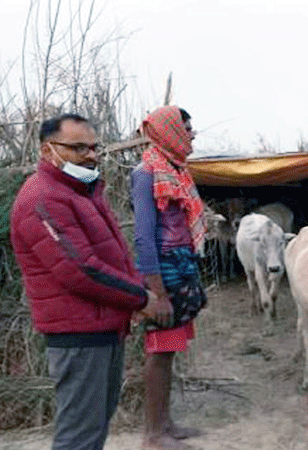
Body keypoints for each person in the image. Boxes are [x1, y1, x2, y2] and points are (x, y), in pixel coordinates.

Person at [10, 113, 157, 450]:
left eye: (93, 147)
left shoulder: (81, 191)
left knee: (93, 428)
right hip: (78, 334)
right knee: (79, 435)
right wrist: (141, 298)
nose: (90, 155)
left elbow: (110, 256)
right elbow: (80, 270)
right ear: (48, 151)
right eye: (78, 148)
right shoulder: (43, 198)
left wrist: (130, 297)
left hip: (102, 325)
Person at [132, 106, 208, 450]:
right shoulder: (147, 174)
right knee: (159, 350)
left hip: (180, 269)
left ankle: (166, 424)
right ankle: (153, 435)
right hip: (164, 274)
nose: (191, 134)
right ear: (169, 131)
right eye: (186, 129)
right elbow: (145, 238)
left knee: (171, 348)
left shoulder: (175, 171)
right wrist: (157, 294)